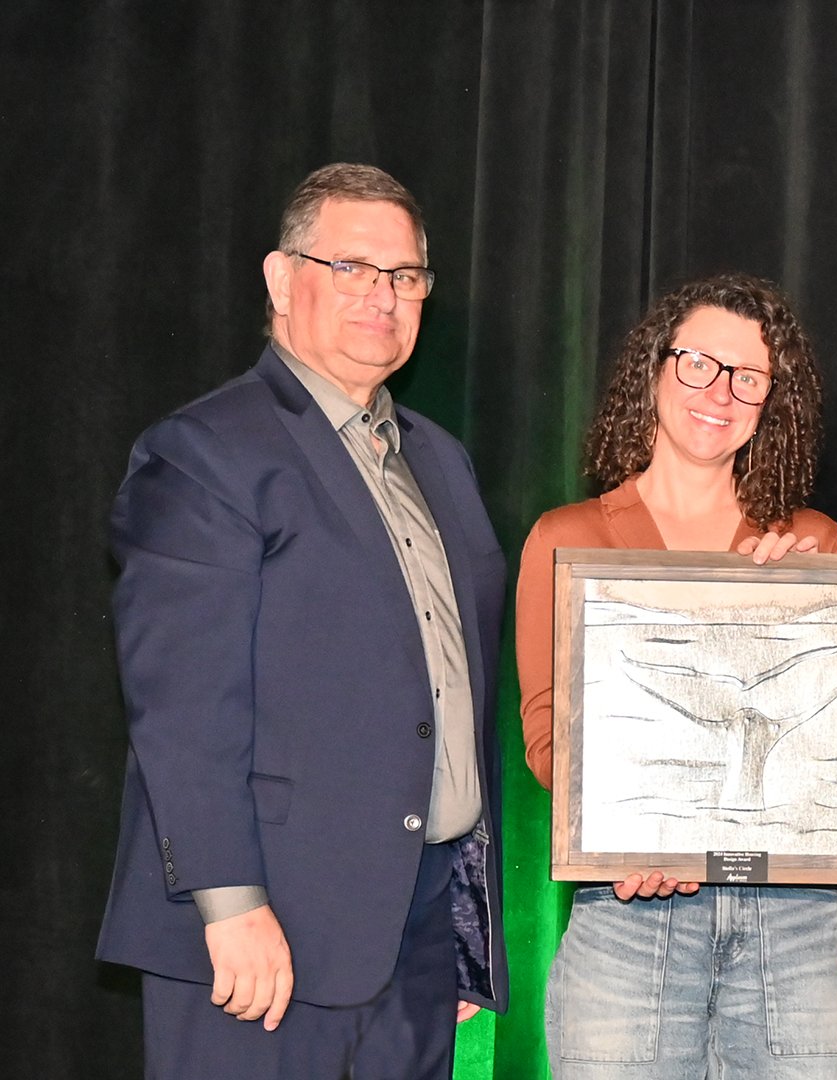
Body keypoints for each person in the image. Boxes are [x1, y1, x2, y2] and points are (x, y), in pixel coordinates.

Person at [97, 163, 508, 1078]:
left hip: (420, 930)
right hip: (261, 935)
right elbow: (181, 705)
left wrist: (471, 932)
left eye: (404, 276)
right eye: (353, 268)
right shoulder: (205, 453)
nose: (383, 295)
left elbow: (457, 698)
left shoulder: (440, 460)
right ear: (283, 280)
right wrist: (228, 905)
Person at [516, 273, 837, 1078]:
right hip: (630, 912)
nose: (721, 393)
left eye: (749, 377)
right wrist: (630, 825)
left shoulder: (813, 543)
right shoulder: (568, 538)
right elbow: (544, 734)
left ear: (773, 400)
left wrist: (817, 602)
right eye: (699, 364)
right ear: (656, 369)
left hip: (794, 922)